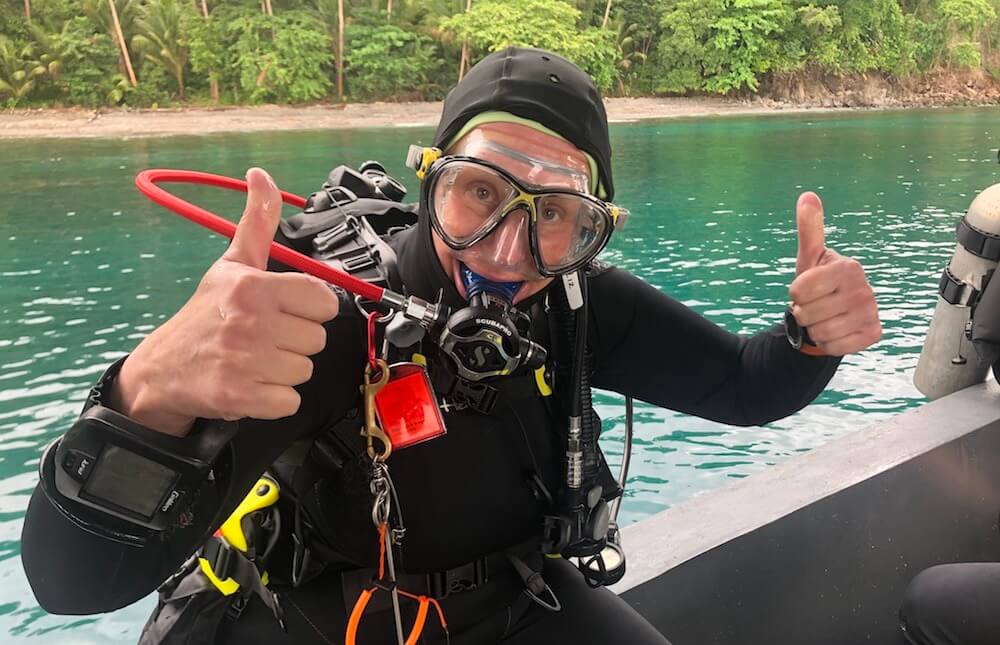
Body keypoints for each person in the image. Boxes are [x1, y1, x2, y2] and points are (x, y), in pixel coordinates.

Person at [20, 47, 881, 645]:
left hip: (516, 601)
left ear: (592, 231)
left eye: (555, 214)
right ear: (431, 181)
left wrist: (811, 340)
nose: (510, 249)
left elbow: (744, 387)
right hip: (322, 620)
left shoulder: (577, 302)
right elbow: (74, 581)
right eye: (479, 192)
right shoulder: (330, 319)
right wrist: (148, 397)